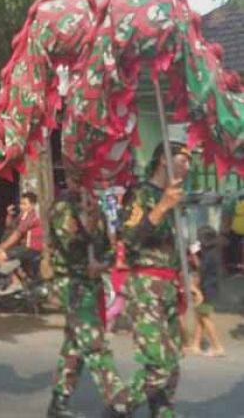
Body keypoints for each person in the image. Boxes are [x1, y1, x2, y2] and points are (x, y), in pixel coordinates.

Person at [46, 171, 131, 418]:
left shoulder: (96, 206)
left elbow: (107, 245)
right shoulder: (63, 207)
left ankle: (59, 401)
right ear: (72, 179)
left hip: (91, 283)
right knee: (94, 341)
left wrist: (102, 260)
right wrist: (88, 222)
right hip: (72, 283)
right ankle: (118, 401)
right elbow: (71, 245)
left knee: (75, 343)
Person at [120, 141, 192, 417]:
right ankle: (118, 408)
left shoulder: (173, 197)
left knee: (172, 365)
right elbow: (130, 238)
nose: (187, 166)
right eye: (182, 159)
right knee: (159, 365)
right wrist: (161, 207)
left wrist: (189, 282)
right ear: (164, 160)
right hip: (146, 285)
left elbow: (177, 249)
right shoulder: (141, 194)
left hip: (170, 286)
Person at [184, 228, 226, 358]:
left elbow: (200, 269)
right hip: (211, 288)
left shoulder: (209, 256)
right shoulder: (214, 252)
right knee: (200, 316)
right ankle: (196, 345)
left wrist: (194, 255)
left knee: (204, 318)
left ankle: (218, 347)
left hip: (206, 289)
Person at [0, 192, 43, 291]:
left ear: (32, 205)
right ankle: (21, 277)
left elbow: (17, 234)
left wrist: (3, 247)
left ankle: (16, 283)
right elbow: (10, 225)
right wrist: (9, 215)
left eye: (25, 204)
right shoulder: (23, 215)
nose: (22, 206)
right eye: (21, 204)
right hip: (23, 247)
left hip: (30, 248)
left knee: (0, 256)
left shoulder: (31, 216)